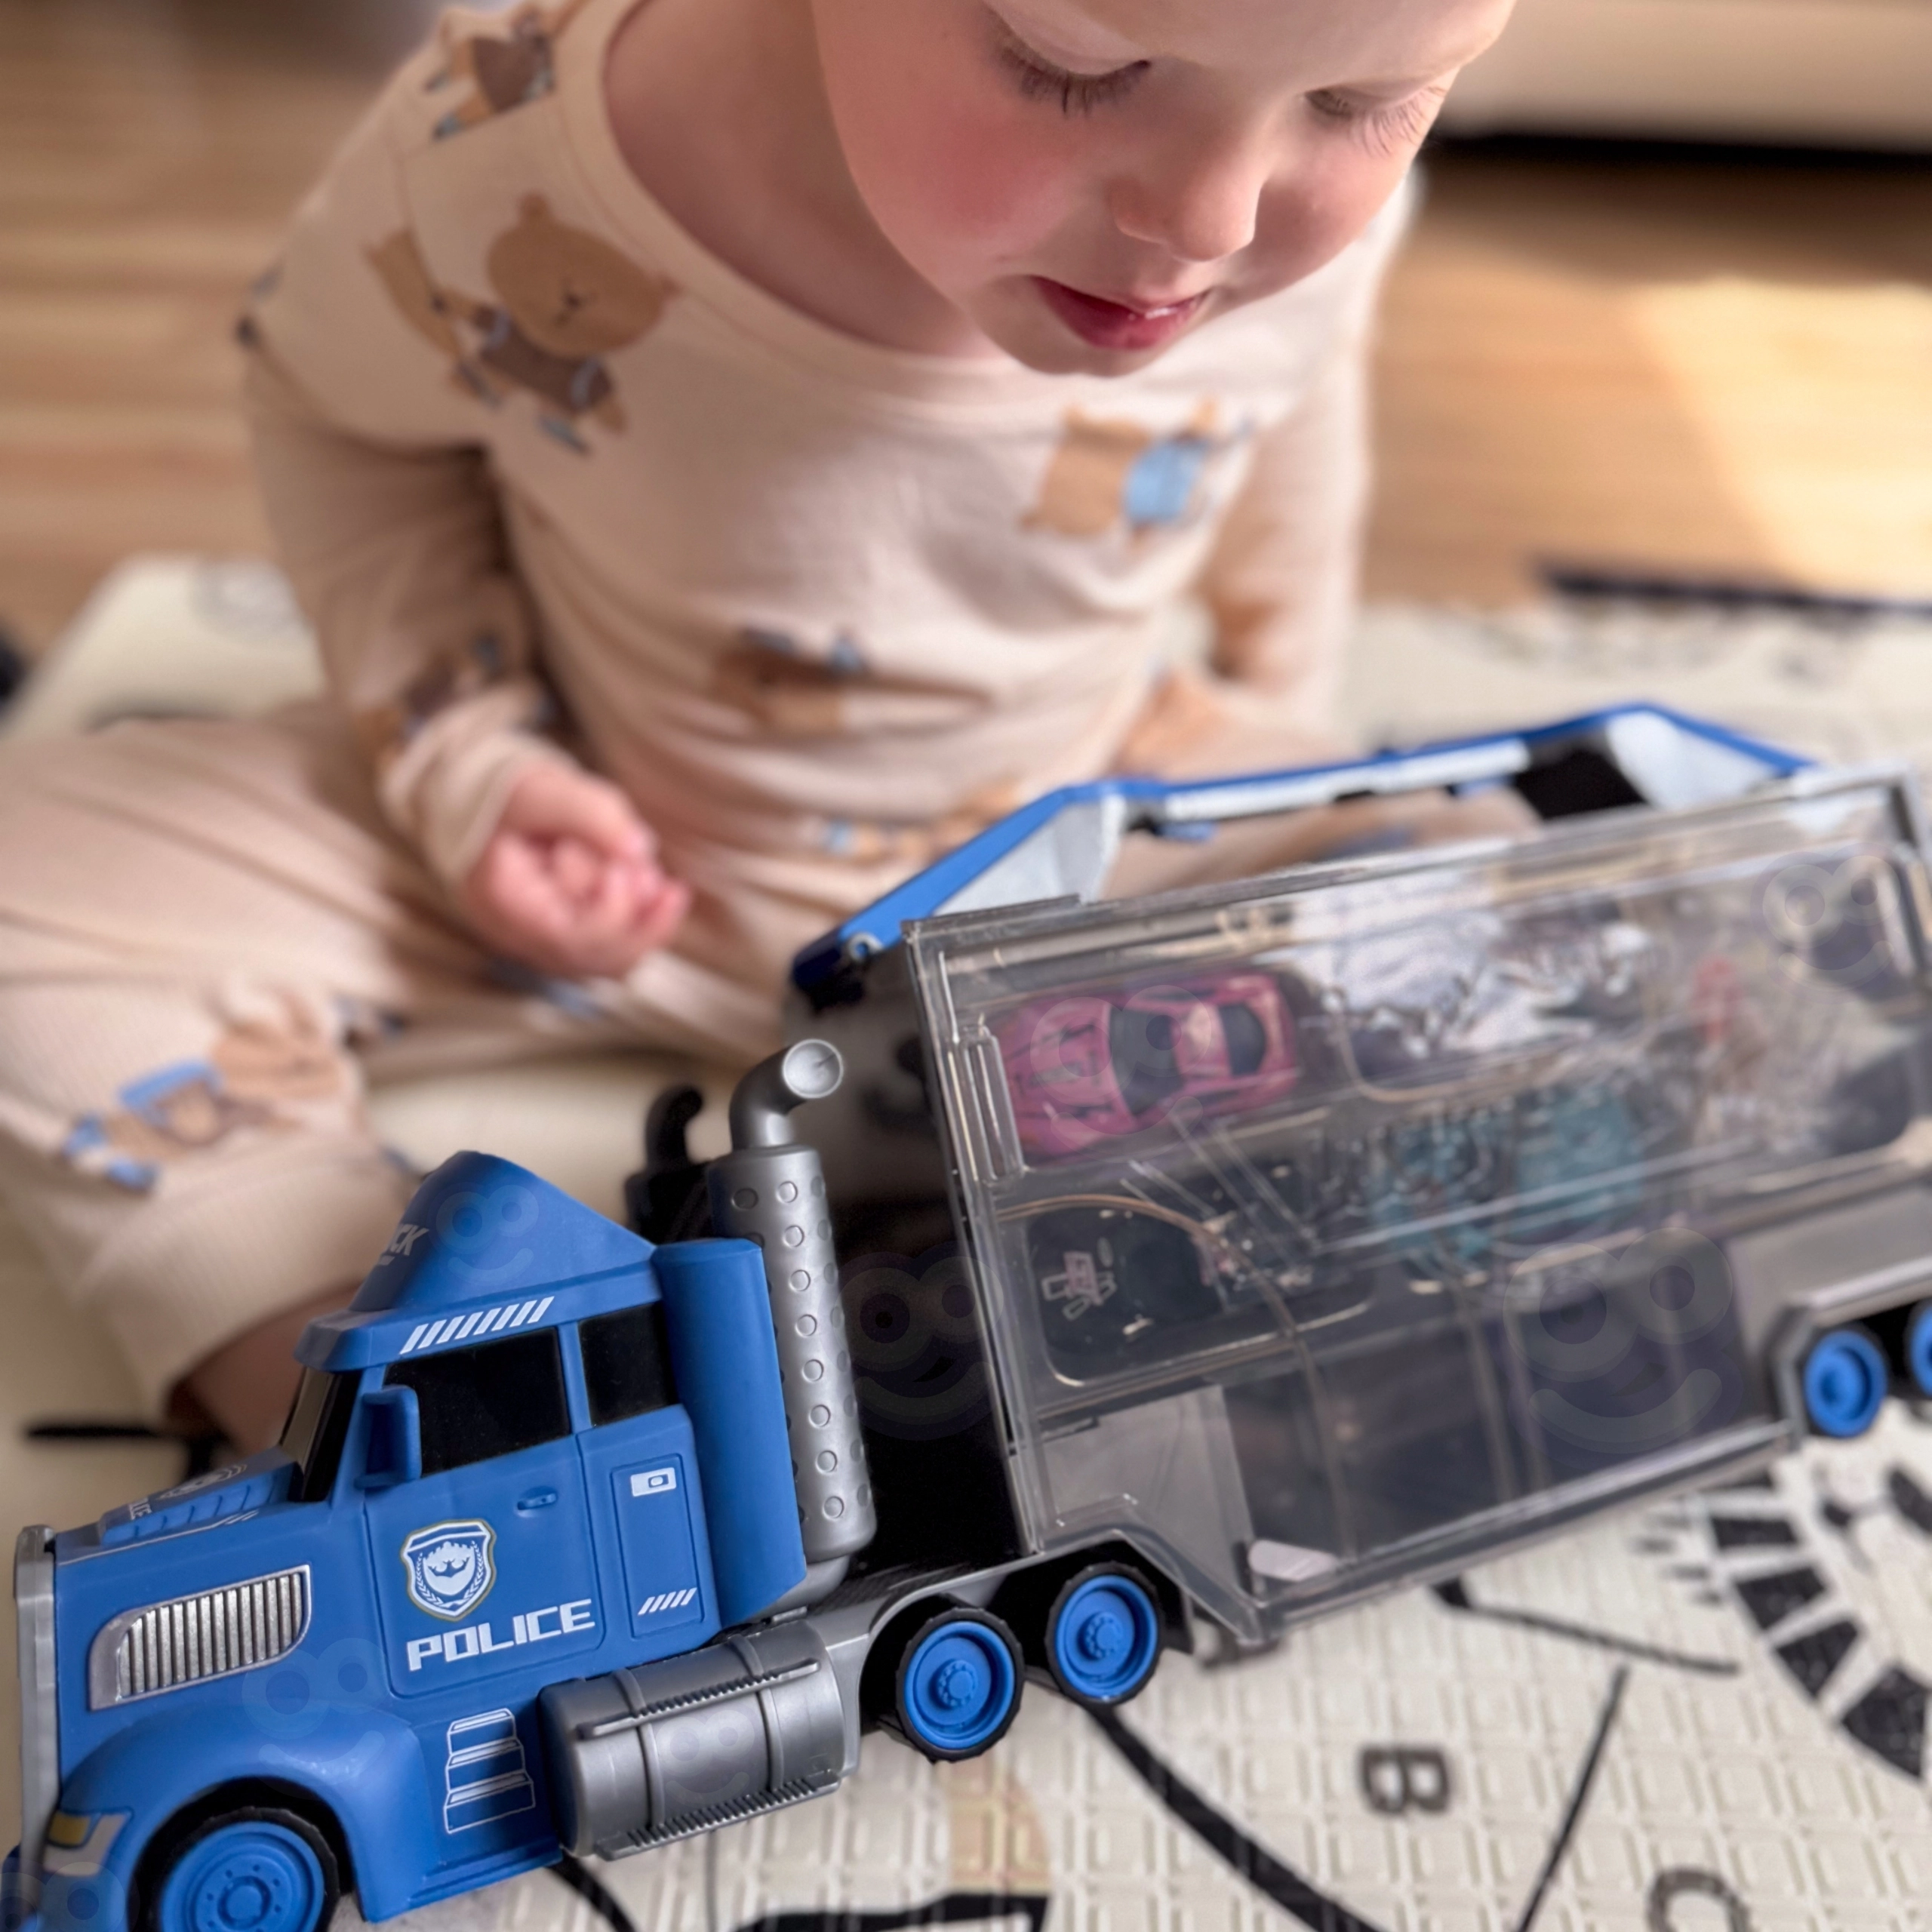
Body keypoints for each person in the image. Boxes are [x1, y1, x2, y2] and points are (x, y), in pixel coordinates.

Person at [0, 0, 1518, 1453]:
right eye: (1072, 62)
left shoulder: (1292, 232)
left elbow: (1298, 416)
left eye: (1361, 102)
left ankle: (1110, 1261)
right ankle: (424, 1400)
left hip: (1069, 849)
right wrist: (468, 756)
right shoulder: (502, 149)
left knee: (1498, 869)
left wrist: (1281, 704)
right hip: (609, 843)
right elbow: (339, 414)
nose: (1211, 221)